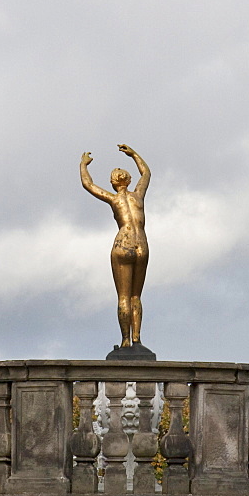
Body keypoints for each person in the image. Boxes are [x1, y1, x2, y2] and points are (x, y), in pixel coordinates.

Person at [80, 144, 150, 350]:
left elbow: (88, 184)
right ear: (128, 180)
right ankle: (137, 339)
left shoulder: (114, 198)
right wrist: (134, 154)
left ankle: (126, 340)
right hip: (141, 245)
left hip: (123, 243)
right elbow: (146, 173)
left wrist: (83, 164)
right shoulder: (137, 196)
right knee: (136, 296)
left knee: (123, 296)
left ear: (112, 182)